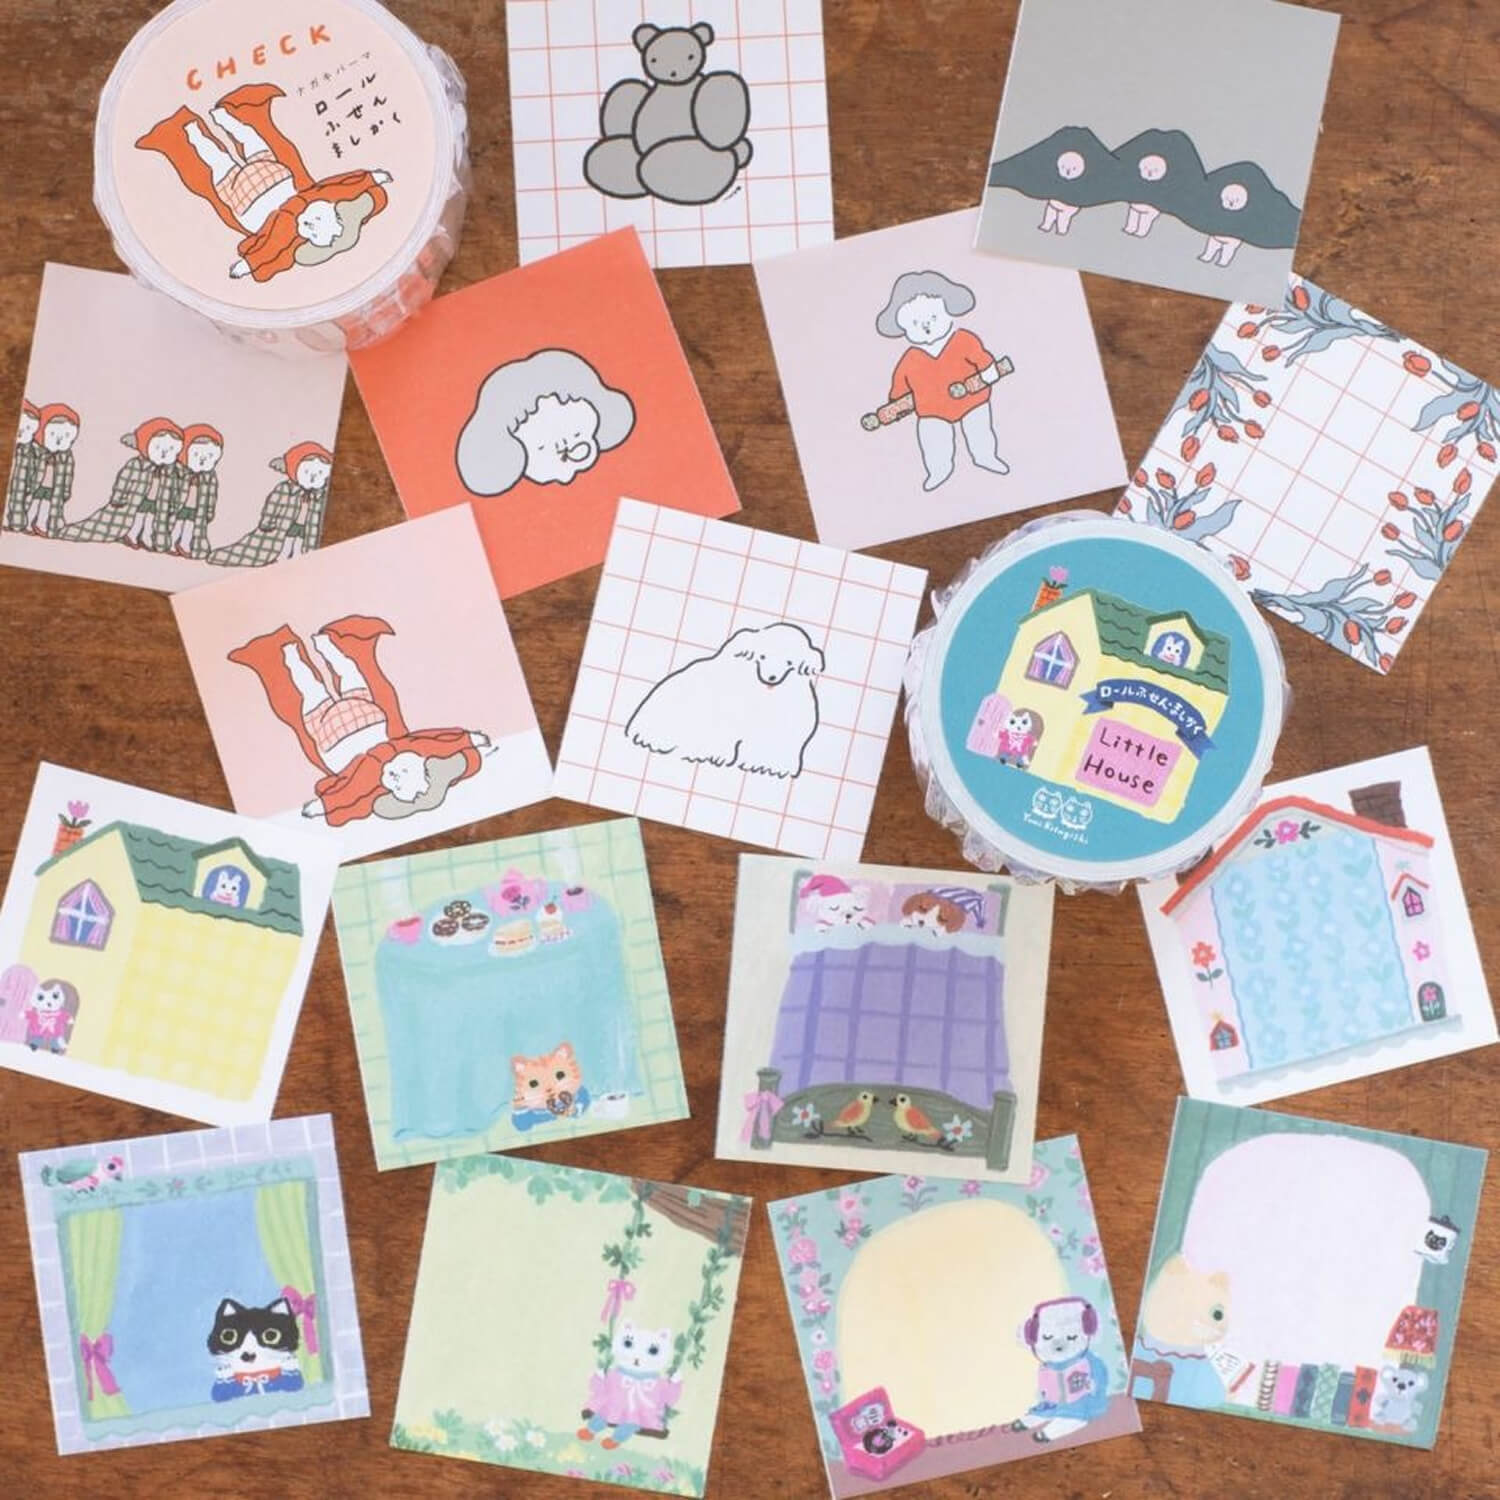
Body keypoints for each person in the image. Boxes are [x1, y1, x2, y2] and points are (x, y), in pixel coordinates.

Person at [228, 614, 495, 828]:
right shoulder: (411, 748)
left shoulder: (368, 775)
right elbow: (439, 743)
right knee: (350, 674)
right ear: (419, 765)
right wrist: (471, 739)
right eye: (403, 775)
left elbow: (348, 793)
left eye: (394, 785)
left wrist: (321, 807)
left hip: (327, 733)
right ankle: (326, 646)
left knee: (311, 690)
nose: (394, 776)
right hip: (365, 713)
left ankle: (291, 657)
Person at [135, 83, 393, 284]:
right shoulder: (315, 199)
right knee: (251, 141)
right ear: (331, 213)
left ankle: (192, 131)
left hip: (241, 198)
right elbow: (342, 187)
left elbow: (270, 250)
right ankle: (224, 118)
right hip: (271, 174)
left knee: (218, 161)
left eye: (311, 231)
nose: (310, 224)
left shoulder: (286, 228)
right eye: (319, 222)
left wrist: (246, 266)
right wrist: (373, 177)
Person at [874, 269, 1011, 492]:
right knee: (933, 441)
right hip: (932, 412)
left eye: (932, 318)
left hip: (973, 401)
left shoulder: (964, 339)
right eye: (916, 323)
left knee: (980, 431)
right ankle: (938, 470)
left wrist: (987, 375)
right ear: (905, 328)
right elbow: (900, 388)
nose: (926, 326)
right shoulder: (910, 359)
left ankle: (986, 457)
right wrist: (895, 405)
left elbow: (983, 360)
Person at [209, 441, 333, 567]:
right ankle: (282, 558)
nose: (313, 477)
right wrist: (268, 522)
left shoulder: (320, 496)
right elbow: (272, 506)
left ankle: (297, 559)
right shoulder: (285, 489)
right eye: (307, 472)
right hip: (286, 526)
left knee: (299, 543)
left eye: (320, 473)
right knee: (287, 541)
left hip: (306, 528)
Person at [25, 404, 81, 536]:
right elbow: (30, 468)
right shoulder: (38, 452)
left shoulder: (66, 457)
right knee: (34, 503)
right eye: (53, 434)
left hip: (53, 488)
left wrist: (66, 490)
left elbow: (68, 475)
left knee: (46, 506)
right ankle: (27, 523)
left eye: (66, 435)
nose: (59, 439)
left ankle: (41, 525)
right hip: (37, 484)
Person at [171, 424, 225, 558]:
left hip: (197, 508)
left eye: (209, 456)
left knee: (190, 526)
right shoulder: (180, 472)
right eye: (196, 454)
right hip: (180, 504)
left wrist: (209, 511)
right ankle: (171, 543)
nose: (202, 459)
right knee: (177, 523)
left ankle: (185, 544)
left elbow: (212, 495)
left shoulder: (210, 477)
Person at [6, 402, 41, 531]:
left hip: (21, 483)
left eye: (28, 428)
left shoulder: (31, 451)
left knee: (18, 502)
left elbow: (34, 468)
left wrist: (31, 484)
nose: (22, 431)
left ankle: (16, 524)